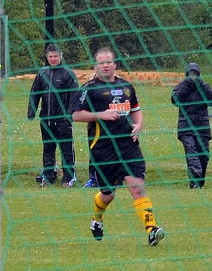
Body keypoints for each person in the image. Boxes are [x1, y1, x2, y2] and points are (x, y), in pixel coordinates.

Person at [70, 47, 165, 246]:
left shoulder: (127, 87)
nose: (105, 66)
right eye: (101, 63)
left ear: (115, 65)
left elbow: (136, 110)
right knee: (108, 195)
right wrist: (101, 115)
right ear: (95, 66)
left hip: (128, 145)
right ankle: (97, 219)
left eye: (108, 62)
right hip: (103, 149)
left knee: (137, 187)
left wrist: (138, 124)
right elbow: (76, 115)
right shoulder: (89, 89)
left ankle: (152, 230)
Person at [28, 44, 79, 187]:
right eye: (50, 56)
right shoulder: (42, 73)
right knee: (48, 148)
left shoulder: (68, 74)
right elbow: (35, 93)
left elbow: (74, 95)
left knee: (66, 149)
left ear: (60, 56)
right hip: (46, 119)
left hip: (63, 120)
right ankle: (49, 175)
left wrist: (69, 115)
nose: (53, 59)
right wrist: (31, 112)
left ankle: (68, 177)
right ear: (47, 57)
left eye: (55, 56)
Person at [171, 62, 212, 189]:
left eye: (195, 74)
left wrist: (201, 85)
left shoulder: (204, 86)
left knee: (203, 155)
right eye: (191, 74)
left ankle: (198, 183)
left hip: (202, 125)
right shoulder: (181, 86)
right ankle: (196, 173)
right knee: (191, 150)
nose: (193, 76)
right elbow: (175, 100)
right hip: (185, 125)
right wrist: (187, 85)